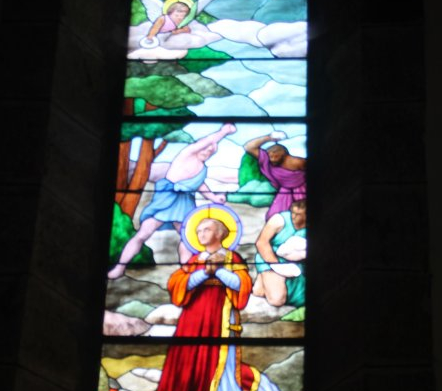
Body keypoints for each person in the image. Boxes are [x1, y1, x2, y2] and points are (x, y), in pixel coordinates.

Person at [144, 214, 283, 391]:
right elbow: (178, 284)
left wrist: (218, 272)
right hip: (193, 317)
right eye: (198, 231)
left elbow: (242, 285)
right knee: (189, 353)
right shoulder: (195, 260)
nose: (201, 234)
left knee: (217, 355)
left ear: (220, 233)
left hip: (221, 318)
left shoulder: (232, 258)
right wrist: (204, 272)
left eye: (206, 230)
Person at [108, 124, 236, 278]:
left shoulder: (203, 168)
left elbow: (199, 184)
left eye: (211, 151)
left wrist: (214, 198)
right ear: (198, 147)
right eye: (205, 148)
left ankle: (186, 270)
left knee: (187, 238)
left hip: (185, 201)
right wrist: (223, 132)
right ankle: (120, 267)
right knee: (143, 234)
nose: (207, 151)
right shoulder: (187, 154)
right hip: (167, 198)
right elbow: (208, 140)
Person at [253, 199, 307, 310]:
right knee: (277, 300)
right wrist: (278, 266)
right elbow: (261, 243)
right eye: (292, 212)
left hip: (297, 264)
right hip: (270, 259)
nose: (293, 216)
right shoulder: (279, 220)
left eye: (298, 214)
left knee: (301, 297)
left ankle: (262, 284)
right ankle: (265, 277)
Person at [244, 130, 306, 219]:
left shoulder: (297, 162)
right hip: (284, 193)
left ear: (284, 155)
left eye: (275, 156)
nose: (272, 159)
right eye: (270, 156)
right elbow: (249, 147)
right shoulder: (267, 161)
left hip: (302, 191)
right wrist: (269, 137)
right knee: (274, 215)